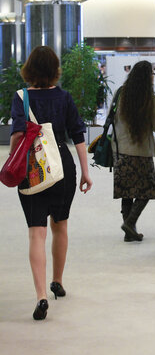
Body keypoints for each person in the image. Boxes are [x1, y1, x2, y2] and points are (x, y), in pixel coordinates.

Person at [9, 46, 93, 321]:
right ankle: (57, 280)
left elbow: (18, 136)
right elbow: (78, 134)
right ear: (55, 69)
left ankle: (41, 296)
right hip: (62, 170)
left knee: (37, 233)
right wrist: (84, 172)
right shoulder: (64, 97)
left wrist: (13, 160)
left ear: (30, 69)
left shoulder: (21, 98)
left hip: (33, 170)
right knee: (60, 226)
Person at [111, 60, 155, 242]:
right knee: (148, 190)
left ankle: (129, 232)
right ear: (147, 76)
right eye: (152, 73)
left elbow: (112, 119)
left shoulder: (120, 94)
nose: (153, 76)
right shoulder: (152, 98)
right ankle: (130, 223)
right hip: (141, 153)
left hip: (120, 151)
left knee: (126, 192)